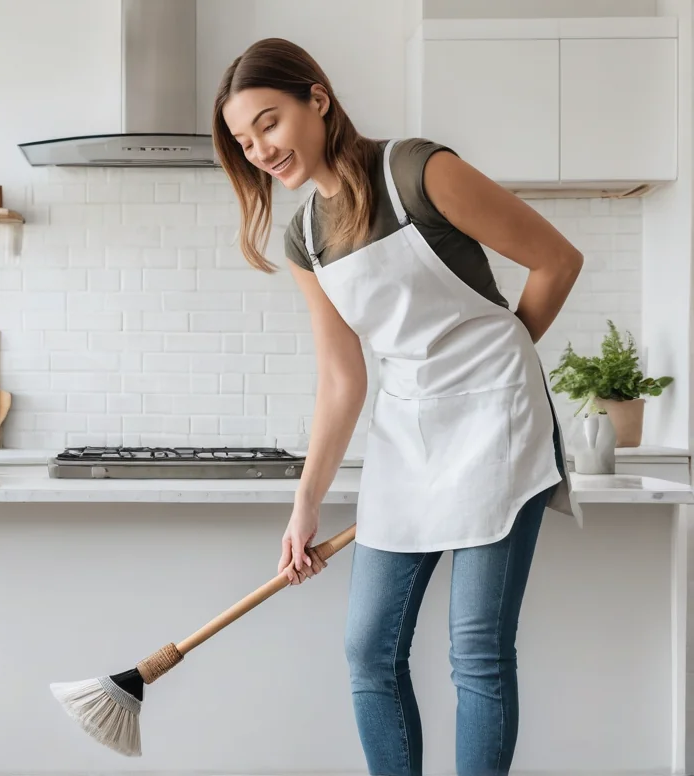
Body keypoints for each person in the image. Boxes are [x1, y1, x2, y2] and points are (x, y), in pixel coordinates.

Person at [212, 37, 583, 776]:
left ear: (317, 99)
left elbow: (556, 260)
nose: (260, 150)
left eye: (270, 123)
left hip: (497, 426)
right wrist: (304, 506)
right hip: (406, 434)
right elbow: (342, 379)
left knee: (475, 649)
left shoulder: (416, 171)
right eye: (245, 141)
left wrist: (498, 366)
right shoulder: (305, 238)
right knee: (368, 651)